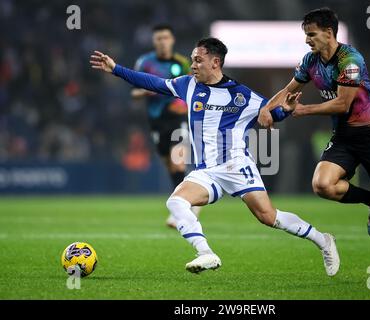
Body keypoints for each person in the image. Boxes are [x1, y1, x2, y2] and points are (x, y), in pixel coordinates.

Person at [90, 37, 340, 276]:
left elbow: (270, 114)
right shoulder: (187, 85)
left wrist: (285, 110)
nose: (193, 65)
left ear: (215, 62)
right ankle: (206, 253)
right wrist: (116, 69)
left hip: (236, 165)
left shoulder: (242, 96)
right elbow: (153, 83)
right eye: (192, 59)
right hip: (205, 171)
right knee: (175, 202)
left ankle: (322, 239)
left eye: (198, 60)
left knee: (268, 217)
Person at [258, 7, 370, 282]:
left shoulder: (350, 59)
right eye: (305, 35)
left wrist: (302, 111)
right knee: (322, 185)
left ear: (329, 33)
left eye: (311, 34)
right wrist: (267, 109)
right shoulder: (310, 61)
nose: (307, 40)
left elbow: (342, 103)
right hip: (344, 136)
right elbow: (290, 90)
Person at [131, 24, 198, 228]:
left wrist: (185, 106)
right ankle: (188, 203)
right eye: (158, 38)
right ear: (154, 41)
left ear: (172, 40)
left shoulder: (182, 62)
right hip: (156, 121)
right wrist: (147, 91)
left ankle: (182, 209)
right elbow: (134, 93)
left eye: (165, 38)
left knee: (178, 163)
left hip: (177, 118)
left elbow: (193, 88)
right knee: (170, 165)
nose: (162, 41)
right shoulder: (145, 63)